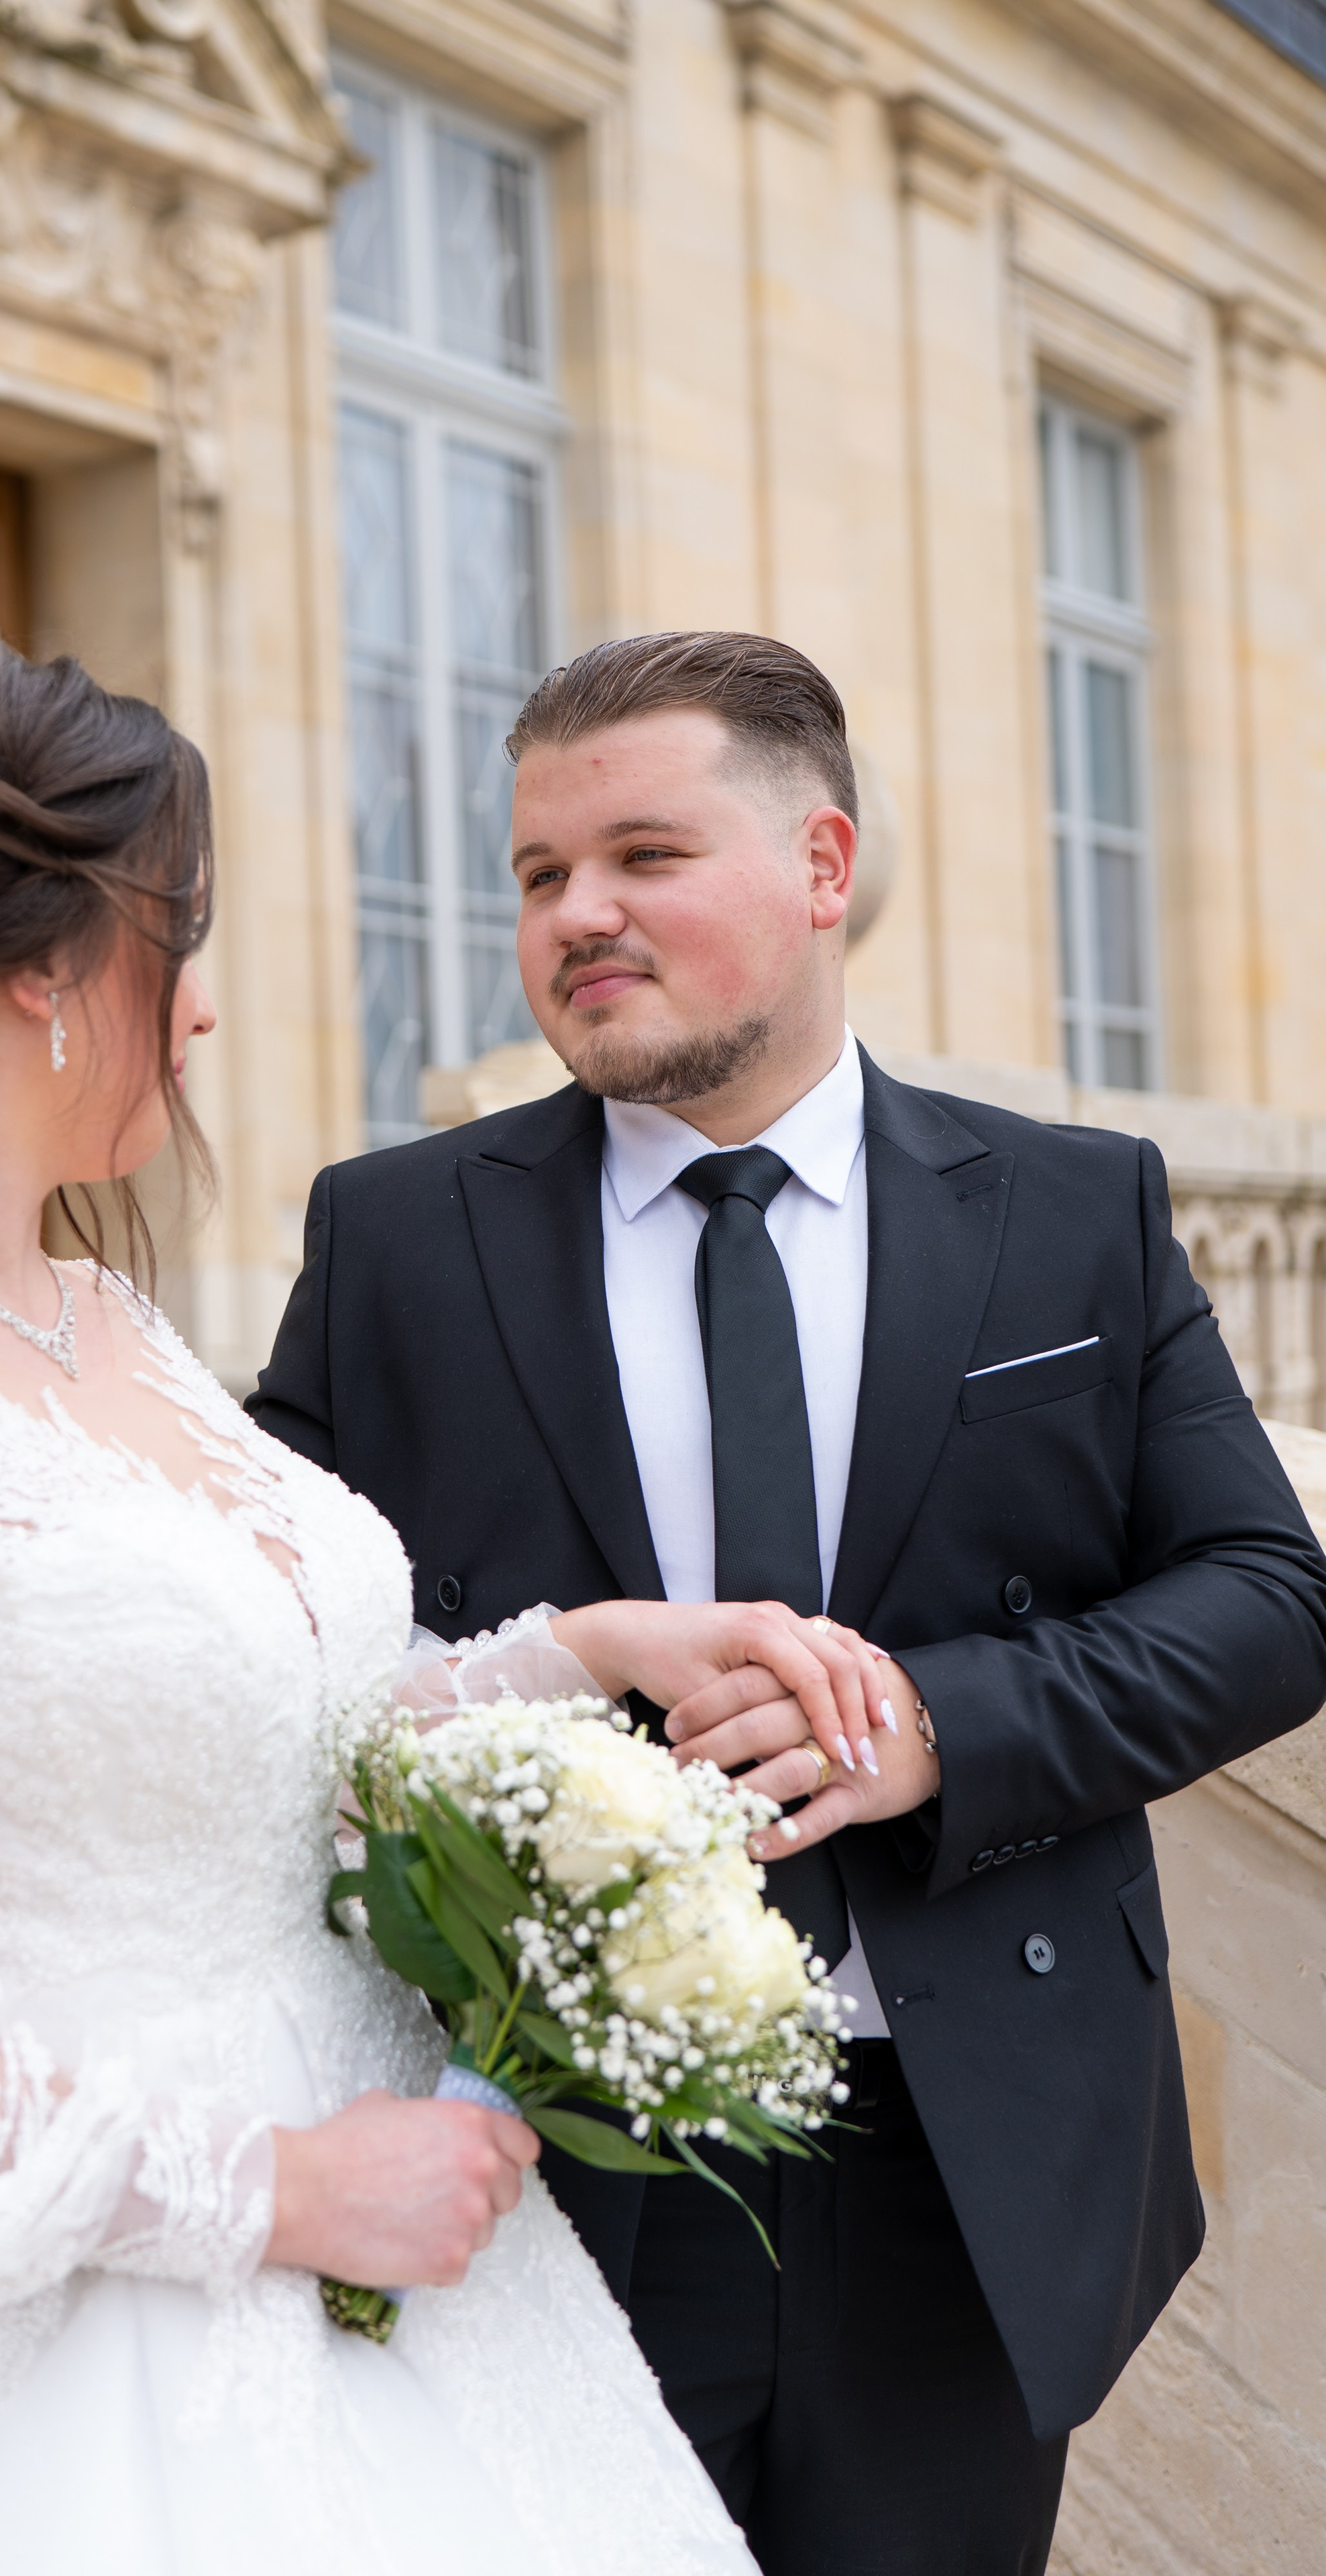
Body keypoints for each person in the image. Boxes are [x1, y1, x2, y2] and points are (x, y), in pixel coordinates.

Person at [0, 639, 868, 2573]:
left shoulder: (93, 1310)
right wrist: (276, 2190)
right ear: (42, 964)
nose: (201, 1016)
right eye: (173, 942)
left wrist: (579, 1653)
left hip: (431, 2299)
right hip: (66, 2370)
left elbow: (239, 1753)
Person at [251, 629, 1326, 2576]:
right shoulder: (393, 1236)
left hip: (964, 2161)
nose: (578, 915)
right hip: (550, 2160)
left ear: (824, 869)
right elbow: (277, 1655)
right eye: (537, 874)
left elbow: (1268, 1598)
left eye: (645, 857)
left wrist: (940, 1723)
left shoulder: (1075, 1209)